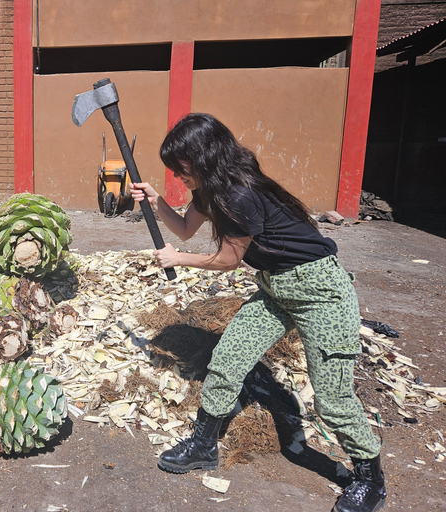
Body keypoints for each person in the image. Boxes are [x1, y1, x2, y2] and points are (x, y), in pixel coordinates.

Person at [129, 113, 386, 512]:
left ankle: (370, 481)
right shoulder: (211, 191)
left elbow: (228, 260)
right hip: (275, 288)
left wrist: (179, 259)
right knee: (227, 360)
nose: (178, 177)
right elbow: (183, 228)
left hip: (321, 292)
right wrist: (155, 200)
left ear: (205, 158)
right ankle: (203, 447)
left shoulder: (239, 194)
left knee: (332, 398)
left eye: (181, 168)